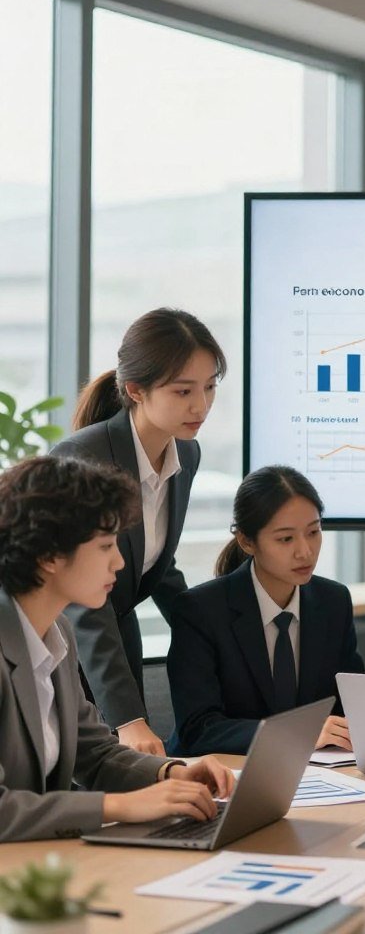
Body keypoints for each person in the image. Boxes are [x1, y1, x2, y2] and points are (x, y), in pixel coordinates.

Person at [0, 455, 234, 843]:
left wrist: (171, 773)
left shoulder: (55, 631)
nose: (120, 561)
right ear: (48, 557)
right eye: (106, 545)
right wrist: (118, 807)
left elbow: (96, 754)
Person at [51, 308, 227, 753]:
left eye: (209, 387)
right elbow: (81, 596)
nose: (201, 405)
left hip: (116, 633)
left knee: (129, 780)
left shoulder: (185, 455)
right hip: (59, 645)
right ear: (136, 390)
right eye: (183, 391)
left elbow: (156, 565)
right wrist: (127, 717)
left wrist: (214, 636)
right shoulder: (83, 458)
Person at [167, 466, 364, 756]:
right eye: (286, 539)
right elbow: (199, 728)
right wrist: (296, 734)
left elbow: (350, 705)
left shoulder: (333, 601)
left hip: (316, 772)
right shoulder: (200, 611)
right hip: (221, 774)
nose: (305, 551)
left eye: (313, 532)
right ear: (247, 541)